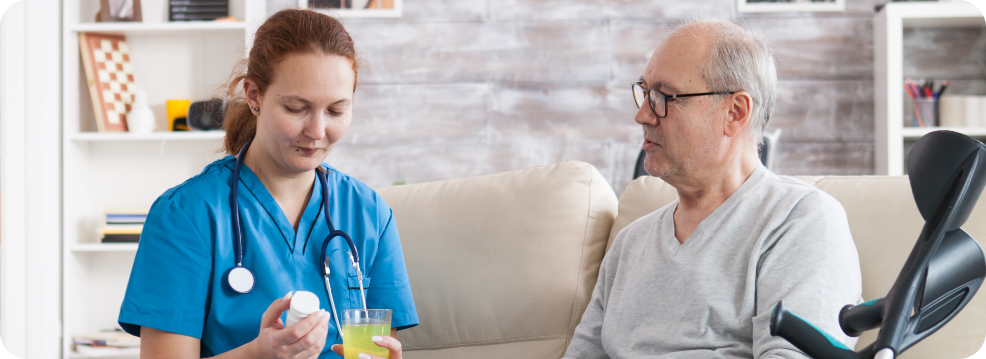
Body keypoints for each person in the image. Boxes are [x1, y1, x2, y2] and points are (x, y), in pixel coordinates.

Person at [118, 9, 418, 359]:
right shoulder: (186, 215)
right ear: (254, 95)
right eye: (296, 108)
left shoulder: (369, 214)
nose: (317, 131)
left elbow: (378, 348)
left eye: (336, 111)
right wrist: (256, 354)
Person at [563, 19, 862, 358]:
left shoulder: (801, 220)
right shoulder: (629, 244)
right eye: (645, 93)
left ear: (734, 112)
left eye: (663, 96)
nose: (643, 115)